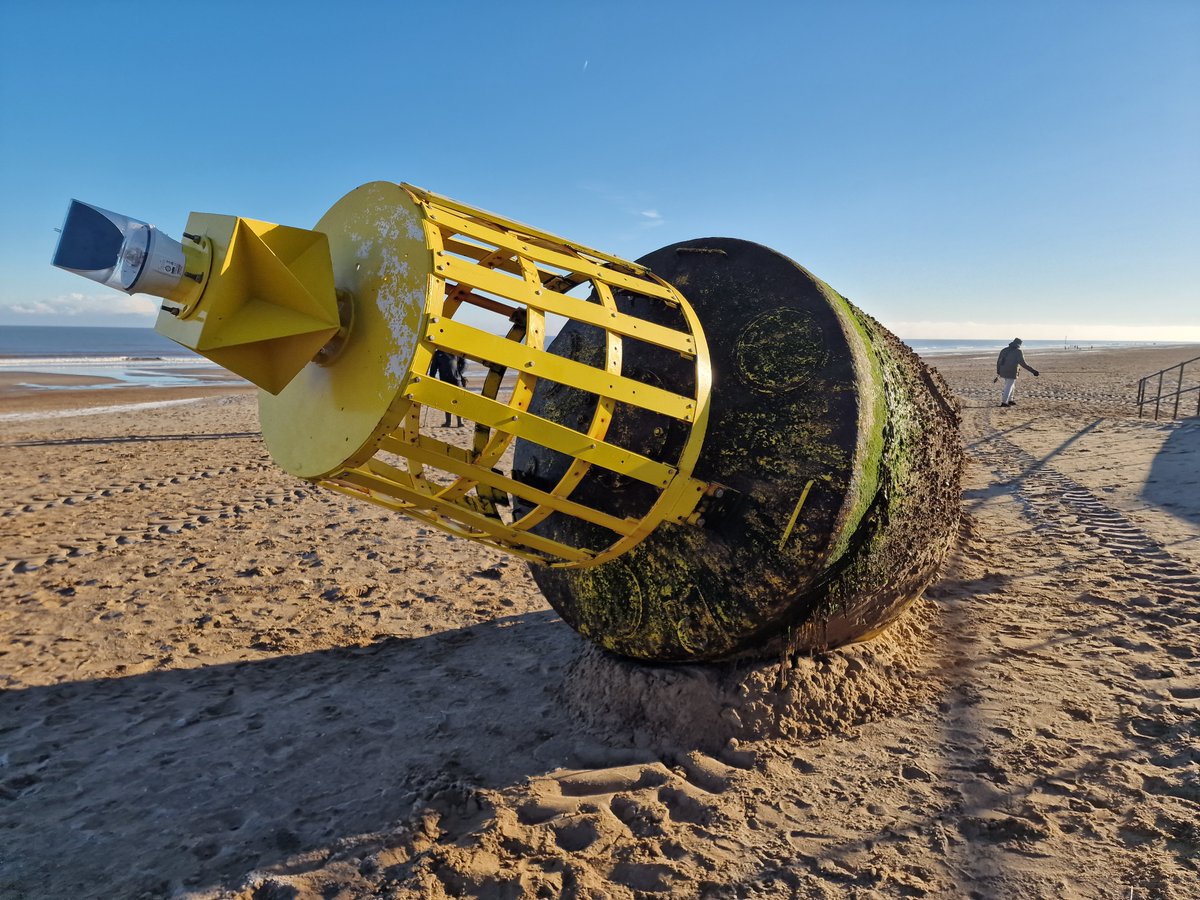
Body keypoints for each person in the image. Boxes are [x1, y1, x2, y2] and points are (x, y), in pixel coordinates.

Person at [995, 338, 1039, 407]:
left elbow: (998, 362)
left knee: (1011, 385)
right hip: (1012, 371)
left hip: (1003, 370)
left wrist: (998, 371)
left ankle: (1010, 400)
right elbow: (1023, 364)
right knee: (1009, 386)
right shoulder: (1018, 352)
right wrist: (1033, 371)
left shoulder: (1004, 350)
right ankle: (1004, 402)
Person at [428, 349, 465, 426]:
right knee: (447, 401)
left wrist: (459, 373)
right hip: (444, 380)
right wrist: (432, 378)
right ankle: (448, 422)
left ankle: (460, 422)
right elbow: (433, 368)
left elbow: (464, 363)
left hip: (456, 380)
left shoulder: (456, 350)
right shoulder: (438, 354)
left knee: (458, 400)